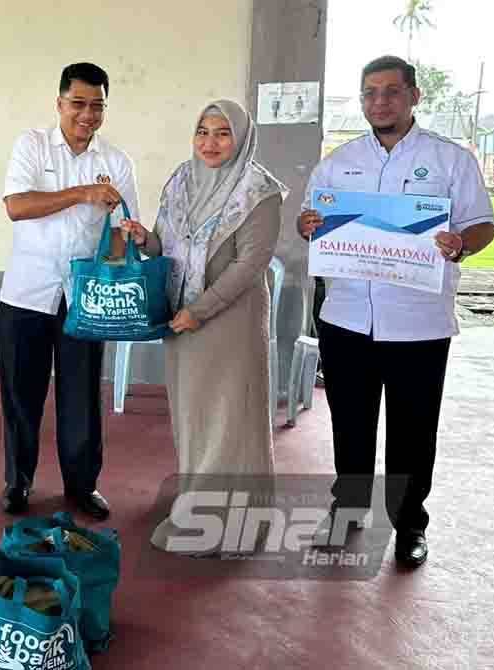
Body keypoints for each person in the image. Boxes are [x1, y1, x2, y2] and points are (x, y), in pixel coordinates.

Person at [298, 56, 494, 567]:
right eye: (369, 93)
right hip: (346, 318)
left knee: (412, 429)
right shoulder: (337, 164)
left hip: (419, 322)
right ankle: (348, 513)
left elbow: (482, 225)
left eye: (390, 92)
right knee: (351, 425)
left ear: (413, 96)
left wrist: (460, 244)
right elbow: (313, 222)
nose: (379, 102)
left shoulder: (451, 160)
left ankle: (410, 524)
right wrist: (309, 225)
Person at [119, 101, 286, 553]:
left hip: (229, 320)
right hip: (182, 316)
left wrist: (202, 309)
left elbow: (250, 264)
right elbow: (165, 244)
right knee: (193, 412)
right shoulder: (181, 179)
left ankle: (231, 517)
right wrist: (143, 239)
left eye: (222, 133)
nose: (210, 143)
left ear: (242, 138)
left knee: (230, 412)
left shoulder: (259, 191)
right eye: (202, 131)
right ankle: (198, 497)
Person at [0, 62, 138, 521]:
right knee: (21, 394)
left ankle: (82, 486)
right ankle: (17, 481)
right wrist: (81, 194)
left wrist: (124, 246)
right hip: (27, 294)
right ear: (59, 103)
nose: (87, 114)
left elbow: (120, 233)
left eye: (97, 106)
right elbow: (17, 206)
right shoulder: (31, 146)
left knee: (81, 397)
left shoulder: (116, 162)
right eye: (78, 104)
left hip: (85, 299)